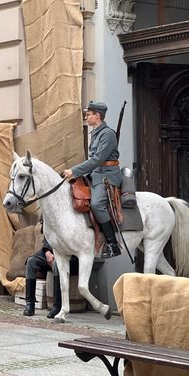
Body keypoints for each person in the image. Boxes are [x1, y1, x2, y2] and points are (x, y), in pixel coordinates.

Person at [63, 101, 122, 258]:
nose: (86, 117)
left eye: (89, 114)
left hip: (107, 175)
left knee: (96, 204)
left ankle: (112, 243)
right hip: (96, 173)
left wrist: (75, 171)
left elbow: (97, 159)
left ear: (97, 116)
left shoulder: (107, 134)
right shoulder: (96, 133)